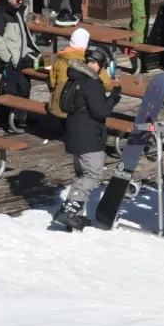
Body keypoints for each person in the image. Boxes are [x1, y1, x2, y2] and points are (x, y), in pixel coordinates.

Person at [55, 44, 123, 230]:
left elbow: (65, 106)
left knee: (81, 175)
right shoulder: (91, 82)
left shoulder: (74, 78)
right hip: (89, 136)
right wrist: (113, 98)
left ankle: (71, 214)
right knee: (92, 175)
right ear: (100, 63)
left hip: (74, 134)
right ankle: (69, 210)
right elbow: (100, 112)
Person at [0, 0, 40, 133]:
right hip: (12, 59)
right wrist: (8, 58)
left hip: (22, 56)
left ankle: (21, 115)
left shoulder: (19, 11)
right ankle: (11, 118)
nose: (20, 2)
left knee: (23, 86)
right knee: (10, 88)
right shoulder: (0, 15)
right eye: (17, 0)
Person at [48, 28, 99, 118]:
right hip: (75, 111)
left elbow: (52, 82)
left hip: (55, 106)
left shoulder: (60, 58)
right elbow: (104, 83)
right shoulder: (87, 61)